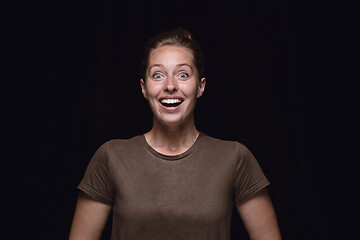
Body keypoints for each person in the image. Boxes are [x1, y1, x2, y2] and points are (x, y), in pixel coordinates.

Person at [69, 28, 281, 240]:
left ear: (200, 86)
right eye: (158, 75)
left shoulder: (235, 157)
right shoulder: (111, 156)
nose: (170, 86)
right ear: (144, 88)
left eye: (182, 75)